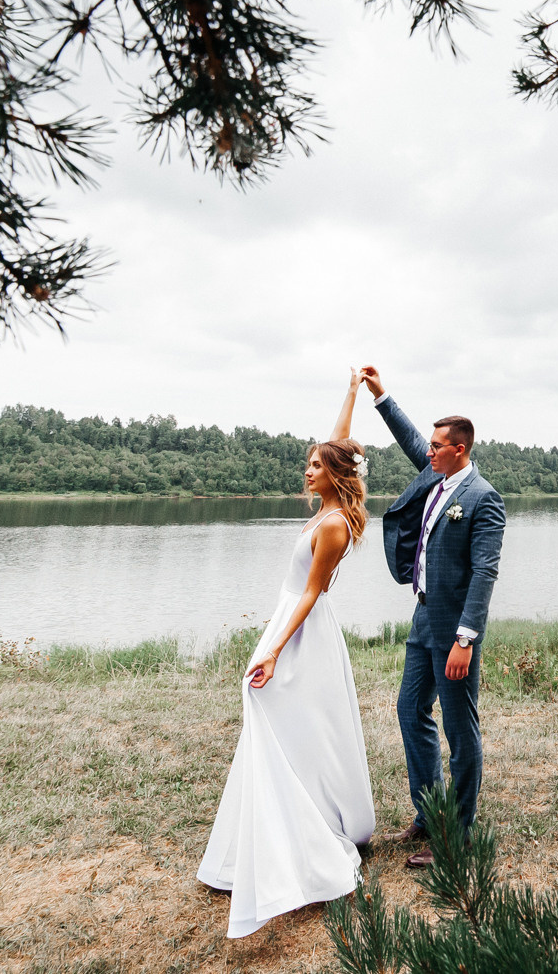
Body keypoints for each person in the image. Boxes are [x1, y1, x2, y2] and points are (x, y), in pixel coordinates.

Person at [197, 370, 376, 937]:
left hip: (301, 633)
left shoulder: (335, 527)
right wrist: (351, 392)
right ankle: (267, 828)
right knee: (282, 724)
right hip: (289, 624)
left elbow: (312, 593)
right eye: (309, 462)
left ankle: (312, 829)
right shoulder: (326, 507)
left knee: (289, 723)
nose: (307, 470)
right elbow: (339, 443)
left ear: (337, 475)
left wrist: (273, 649)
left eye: (316, 465)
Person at [359, 366, 505, 870]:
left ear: (459, 450)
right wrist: (381, 396)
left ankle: (458, 837)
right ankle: (430, 813)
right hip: (422, 619)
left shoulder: (482, 498)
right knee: (410, 711)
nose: (430, 450)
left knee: (460, 731)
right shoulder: (435, 475)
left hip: (454, 629)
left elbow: (485, 572)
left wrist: (466, 638)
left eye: (439, 446)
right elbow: (411, 438)